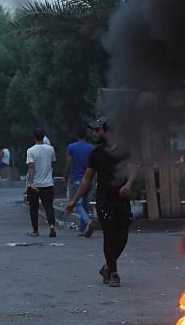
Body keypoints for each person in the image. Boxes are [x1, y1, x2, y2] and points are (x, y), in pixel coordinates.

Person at [67, 117, 137, 287]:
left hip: (121, 199)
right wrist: (73, 200)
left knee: (123, 236)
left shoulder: (123, 151)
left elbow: (132, 169)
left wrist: (128, 184)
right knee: (109, 234)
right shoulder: (96, 154)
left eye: (98, 130)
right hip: (104, 200)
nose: (94, 133)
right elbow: (86, 180)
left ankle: (107, 266)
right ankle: (113, 272)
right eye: (94, 130)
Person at [65, 126, 96, 237]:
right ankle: (83, 229)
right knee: (85, 204)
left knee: (77, 203)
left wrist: (66, 177)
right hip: (89, 180)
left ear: (77, 135)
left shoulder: (71, 147)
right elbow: (94, 165)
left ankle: (87, 221)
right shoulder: (92, 148)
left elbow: (69, 164)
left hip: (77, 180)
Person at [26, 128, 57, 237]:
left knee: (33, 208)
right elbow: (52, 163)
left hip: (35, 184)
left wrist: (31, 182)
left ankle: (35, 231)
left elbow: (31, 168)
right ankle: (52, 225)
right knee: (48, 206)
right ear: (44, 136)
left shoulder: (30, 150)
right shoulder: (51, 149)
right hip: (48, 183)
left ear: (34, 137)